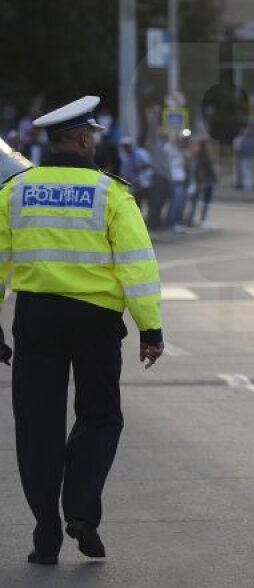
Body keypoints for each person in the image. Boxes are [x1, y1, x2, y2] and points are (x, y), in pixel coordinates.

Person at [0, 95, 165, 565]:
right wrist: (150, 328)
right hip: (94, 322)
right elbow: (138, 266)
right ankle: (81, 511)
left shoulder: (17, 190)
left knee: (37, 427)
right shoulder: (110, 193)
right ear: (85, 139)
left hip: (35, 318)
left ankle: (46, 535)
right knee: (99, 416)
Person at [184, 137, 217, 228]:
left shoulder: (202, 157)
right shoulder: (199, 157)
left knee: (199, 202)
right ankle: (193, 221)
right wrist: (204, 181)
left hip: (203, 182)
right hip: (202, 183)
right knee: (197, 202)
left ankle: (194, 220)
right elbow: (201, 171)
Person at [233, 126, 254, 191]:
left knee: (245, 172)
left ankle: (246, 186)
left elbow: (238, 149)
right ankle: (250, 185)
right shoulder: (252, 140)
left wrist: (239, 156)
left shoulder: (242, 140)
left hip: (243, 158)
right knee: (250, 172)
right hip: (251, 158)